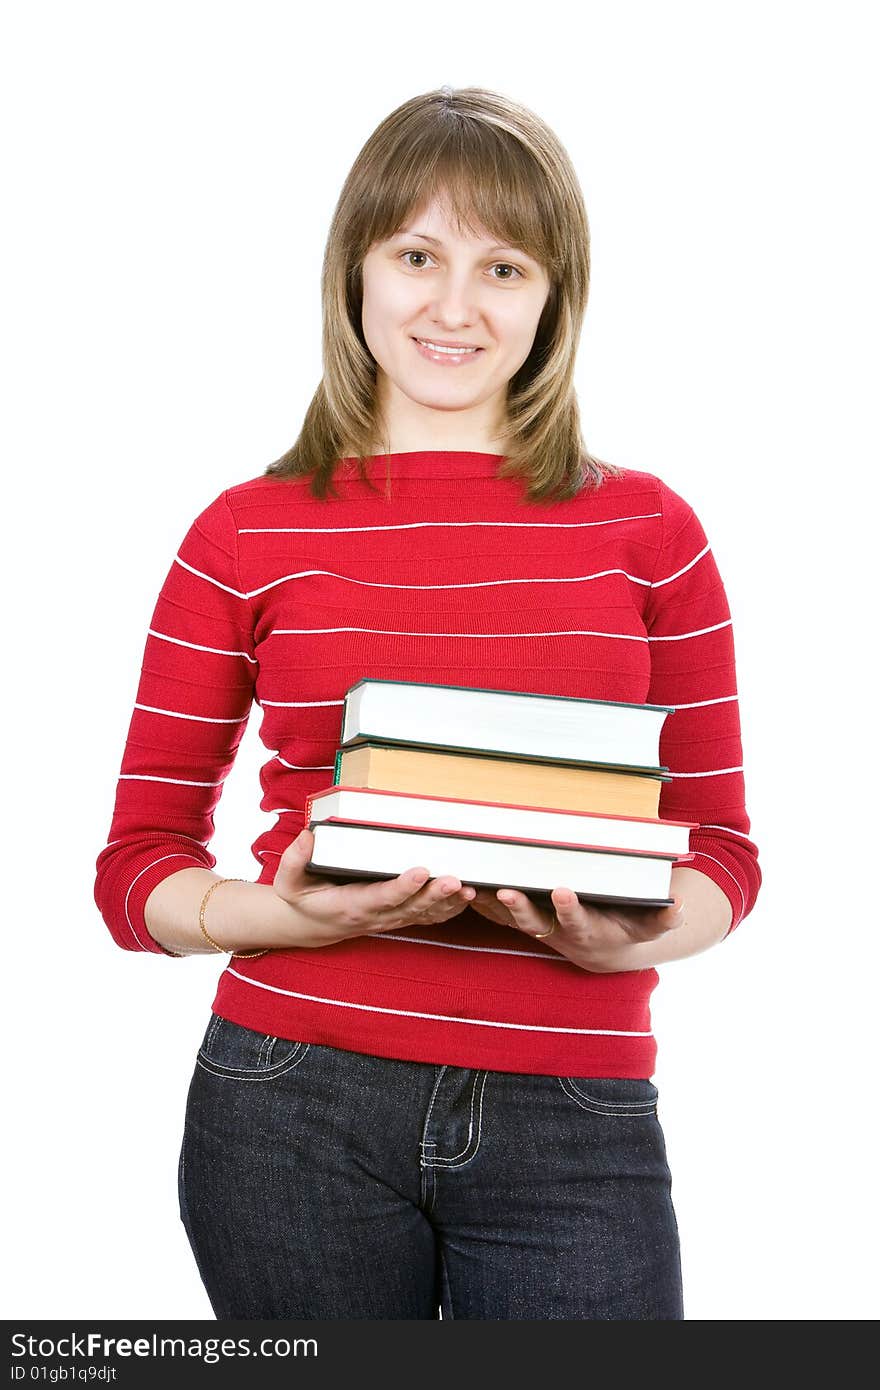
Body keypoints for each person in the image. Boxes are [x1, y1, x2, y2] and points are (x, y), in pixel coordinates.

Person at [94, 84, 761, 1321]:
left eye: (503, 266)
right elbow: (136, 872)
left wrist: (633, 932)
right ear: (356, 268)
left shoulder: (650, 534)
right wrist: (285, 917)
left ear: (554, 296)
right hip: (289, 1102)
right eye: (417, 255)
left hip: (577, 1113)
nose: (454, 307)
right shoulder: (242, 533)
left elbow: (721, 854)